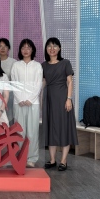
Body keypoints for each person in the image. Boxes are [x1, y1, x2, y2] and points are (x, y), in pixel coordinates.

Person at [41, 37, 78, 171]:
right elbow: (43, 83)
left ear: (59, 48)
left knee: (64, 129)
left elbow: (70, 82)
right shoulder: (43, 65)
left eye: (55, 46)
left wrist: (69, 99)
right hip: (49, 100)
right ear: (46, 49)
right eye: (49, 46)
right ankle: (52, 160)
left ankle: (63, 161)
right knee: (51, 129)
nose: (52, 49)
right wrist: (40, 101)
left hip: (63, 100)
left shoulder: (65, 63)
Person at [11, 39, 43, 168]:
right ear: (20, 50)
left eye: (28, 47)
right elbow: (13, 83)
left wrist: (30, 99)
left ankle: (32, 158)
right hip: (18, 102)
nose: (25, 50)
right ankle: (20, 156)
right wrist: (20, 99)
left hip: (33, 103)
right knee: (20, 131)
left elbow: (38, 84)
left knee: (32, 132)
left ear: (32, 50)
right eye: (23, 48)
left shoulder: (37, 66)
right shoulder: (16, 65)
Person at [0, 37, 16, 124]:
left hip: (9, 94)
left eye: (5, 46)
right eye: (0, 46)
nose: (3, 48)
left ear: (8, 48)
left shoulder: (13, 62)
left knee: (8, 117)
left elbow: (15, 81)